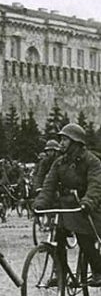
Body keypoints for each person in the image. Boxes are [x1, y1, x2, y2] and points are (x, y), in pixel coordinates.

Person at [34, 123, 101, 287]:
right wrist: (40, 204)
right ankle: (61, 273)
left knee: (84, 237)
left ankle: (98, 271)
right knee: (58, 237)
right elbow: (49, 185)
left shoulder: (92, 161)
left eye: (65, 139)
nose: (61, 143)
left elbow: (96, 185)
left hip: (88, 206)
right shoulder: (59, 163)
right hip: (66, 206)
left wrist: (88, 202)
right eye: (61, 139)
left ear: (76, 142)